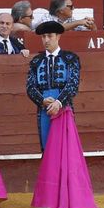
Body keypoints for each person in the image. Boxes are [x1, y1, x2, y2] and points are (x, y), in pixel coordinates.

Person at [26, 19, 81, 153]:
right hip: (44, 108)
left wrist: (59, 102)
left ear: (58, 37)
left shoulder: (70, 58)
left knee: (65, 148)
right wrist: (42, 101)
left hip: (64, 107)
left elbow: (73, 84)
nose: (46, 40)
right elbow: (30, 87)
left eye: (50, 36)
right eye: (43, 37)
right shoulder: (36, 61)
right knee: (47, 147)